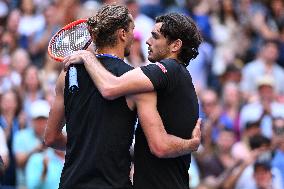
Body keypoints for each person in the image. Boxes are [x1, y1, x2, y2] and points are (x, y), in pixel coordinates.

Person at [45, 4, 201, 189]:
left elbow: (51, 138)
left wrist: (84, 145)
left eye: (154, 36)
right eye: (133, 30)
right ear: (122, 34)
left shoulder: (67, 75)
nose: (142, 40)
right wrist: (191, 144)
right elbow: (159, 145)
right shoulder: (138, 86)